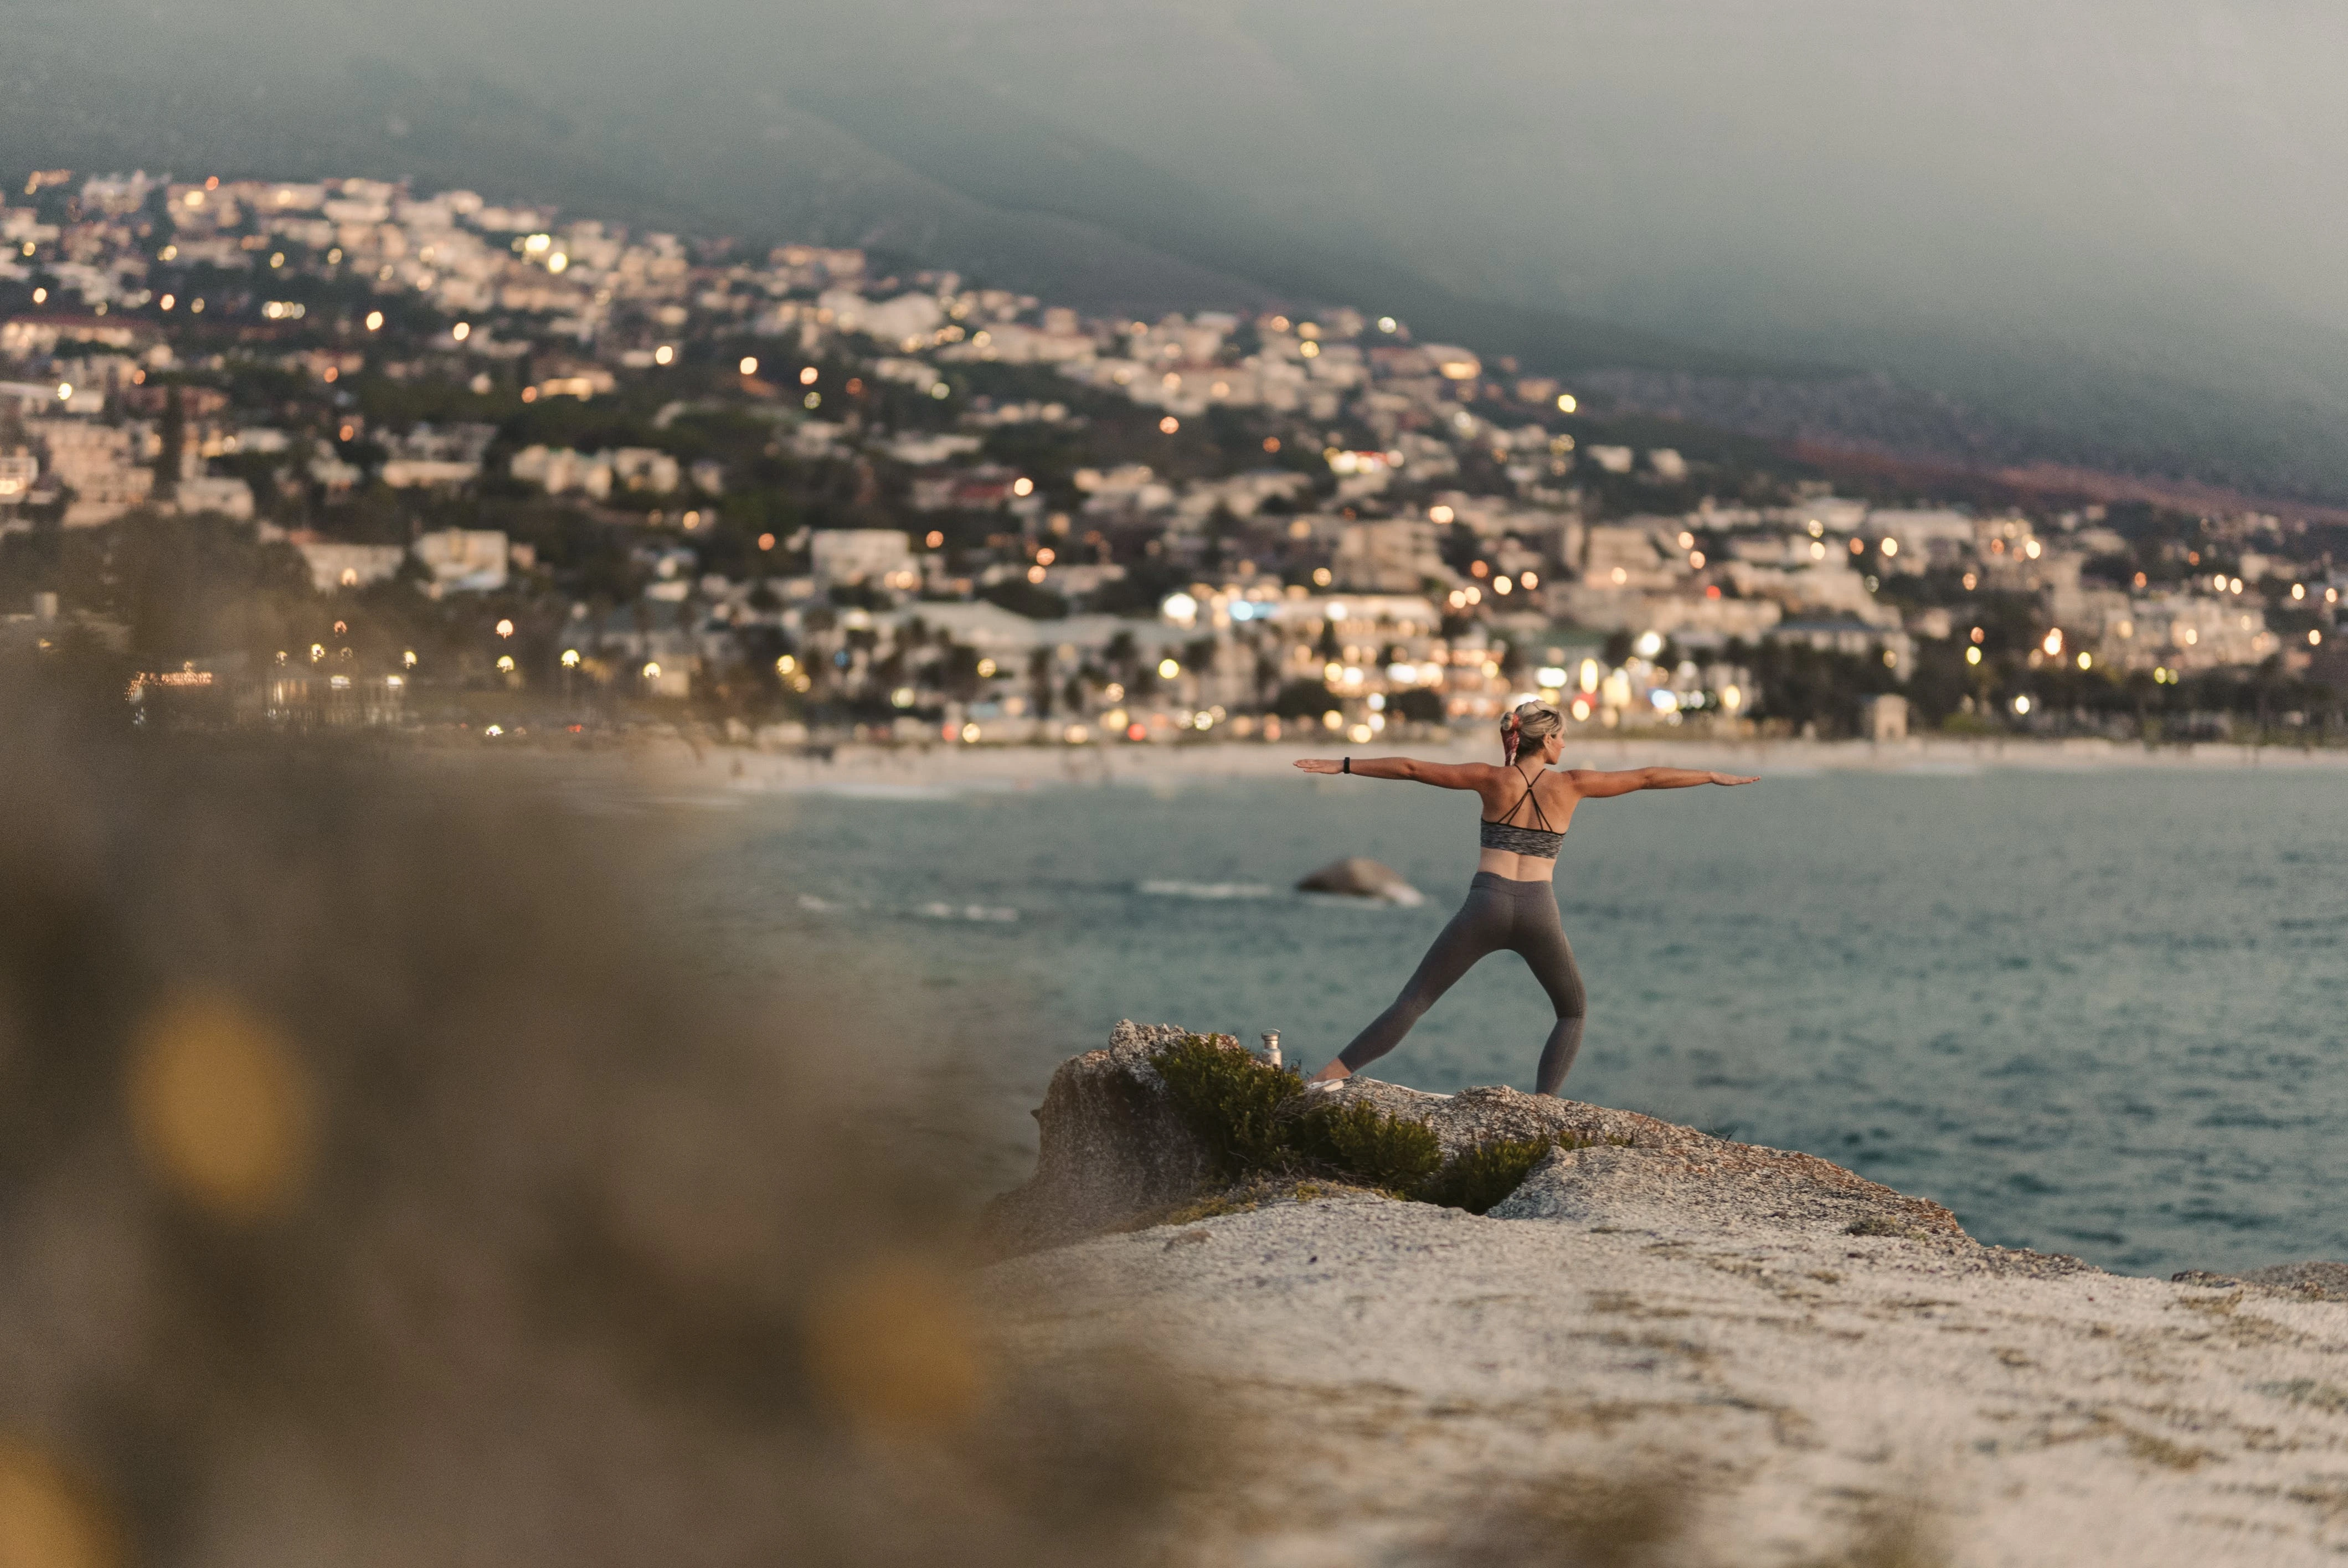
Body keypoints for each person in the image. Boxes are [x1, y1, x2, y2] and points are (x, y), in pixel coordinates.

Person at [1293, 701, 1758, 1096]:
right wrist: (1711, 775)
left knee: (1414, 1001)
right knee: (1572, 1011)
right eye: (1562, 737)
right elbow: (1649, 777)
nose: (1565, 746)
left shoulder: (1491, 778)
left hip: (1485, 905)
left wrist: (1345, 764)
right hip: (1538, 909)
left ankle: (1325, 1080)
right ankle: (1543, 1107)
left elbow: (1413, 769)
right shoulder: (1573, 783)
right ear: (1548, 738)